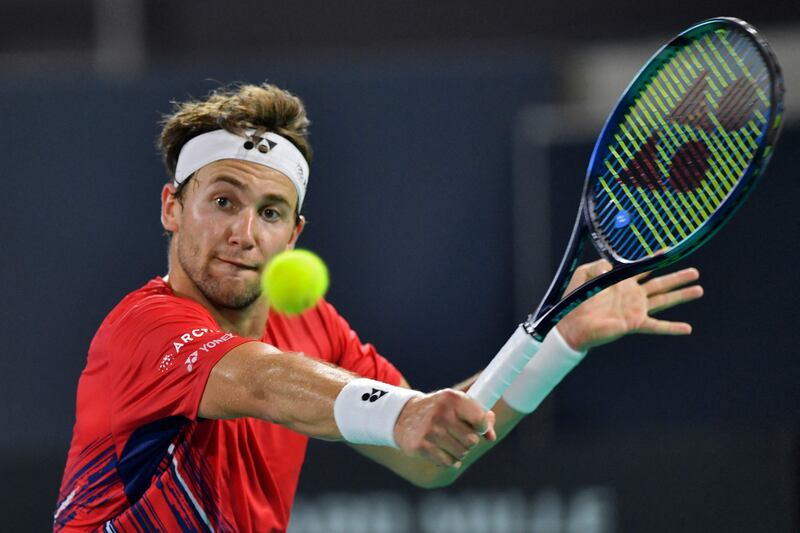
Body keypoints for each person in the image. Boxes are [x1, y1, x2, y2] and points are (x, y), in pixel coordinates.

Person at [54, 83, 703, 532]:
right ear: (172, 206)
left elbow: (430, 452)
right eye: (223, 200)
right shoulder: (142, 329)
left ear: (294, 235)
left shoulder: (311, 325)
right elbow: (259, 379)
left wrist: (560, 341)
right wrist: (404, 410)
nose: (244, 233)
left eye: (270, 212)